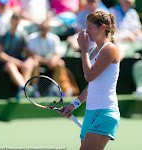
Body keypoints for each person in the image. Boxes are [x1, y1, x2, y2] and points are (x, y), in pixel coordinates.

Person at [59, 11, 120, 149]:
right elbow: (91, 84)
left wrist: (83, 50)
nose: (87, 31)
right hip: (91, 112)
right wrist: (73, 105)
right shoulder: (93, 51)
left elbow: (89, 76)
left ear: (102, 28)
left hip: (105, 112)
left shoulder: (109, 49)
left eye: (90, 27)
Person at [26, 21, 79, 96]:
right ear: (38, 29)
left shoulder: (54, 38)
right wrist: (46, 61)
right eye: (41, 29)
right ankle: (35, 88)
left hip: (48, 61)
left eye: (44, 29)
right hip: (37, 61)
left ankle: (53, 89)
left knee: (60, 64)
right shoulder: (32, 38)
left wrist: (53, 59)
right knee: (34, 62)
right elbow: (32, 55)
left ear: (48, 30)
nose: (43, 31)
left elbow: (56, 54)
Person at [0, 12, 34, 100]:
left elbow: (26, 52)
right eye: (14, 20)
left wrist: (29, 59)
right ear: (11, 21)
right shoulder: (2, 35)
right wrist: (14, 61)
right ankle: (24, 87)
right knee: (10, 65)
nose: (15, 23)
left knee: (29, 64)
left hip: (19, 61)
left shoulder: (22, 35)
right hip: (3, 63)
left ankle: (23, 90)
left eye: (17, 21)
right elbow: (0, 55)